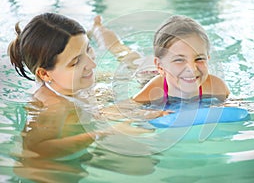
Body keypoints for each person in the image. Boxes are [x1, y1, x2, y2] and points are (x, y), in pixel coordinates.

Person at [7, 13, 156, 159]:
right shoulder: (53, 106)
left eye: (88, 49)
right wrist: (108, 132)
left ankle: (98, 30)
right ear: (45, 74)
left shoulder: (71, 80)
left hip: (88, 94)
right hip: (89, 101)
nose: (93, 64)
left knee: (132, 60)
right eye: (75, 62)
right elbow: (38, 149)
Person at [91, 15, 230, 103]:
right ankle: (98, 28)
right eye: (179, 59)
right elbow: (117, 112)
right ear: (160, 66)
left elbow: (237, 105)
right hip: (144, 74)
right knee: (123, 53)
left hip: (168, 71)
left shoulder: (217, 86)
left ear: (208, 59)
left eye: (199, 58)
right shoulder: (155, 90)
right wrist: (147, 115)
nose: (192, 69)